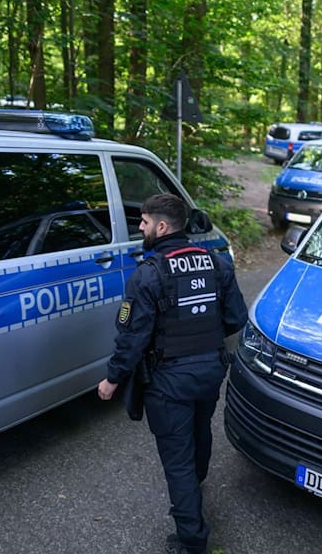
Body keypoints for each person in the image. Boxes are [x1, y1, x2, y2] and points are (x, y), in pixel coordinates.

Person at [97, 193, 247, 554]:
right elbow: (236, 317)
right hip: (210, 371)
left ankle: (192, 541)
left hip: (169, 381)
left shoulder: (148, 275)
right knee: (200, 431)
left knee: (177, 459)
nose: (141, 228)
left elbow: (132, 338)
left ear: (162, 227)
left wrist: (112, 379)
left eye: (145, 222)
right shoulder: (216, 264)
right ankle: (195, 487)